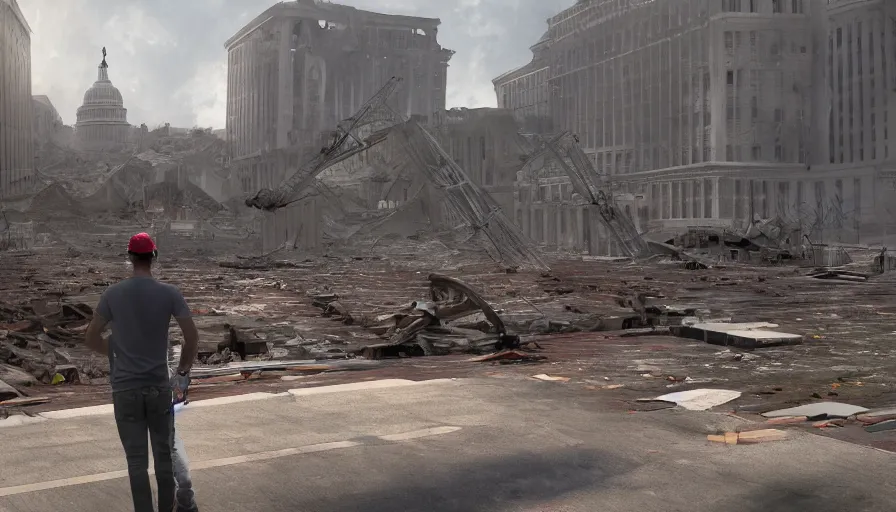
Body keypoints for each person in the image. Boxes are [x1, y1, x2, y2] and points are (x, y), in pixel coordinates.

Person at [85, 232, 199, 512]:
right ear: (154, 257)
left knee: (136, 464)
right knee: (163, 459)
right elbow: (192, 338)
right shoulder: (169, 294)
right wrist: (182, 371)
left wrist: (115, 353)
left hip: (125, 389)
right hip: (158, 388)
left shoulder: (112, 294)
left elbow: (90, 338)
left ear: (130, 258)